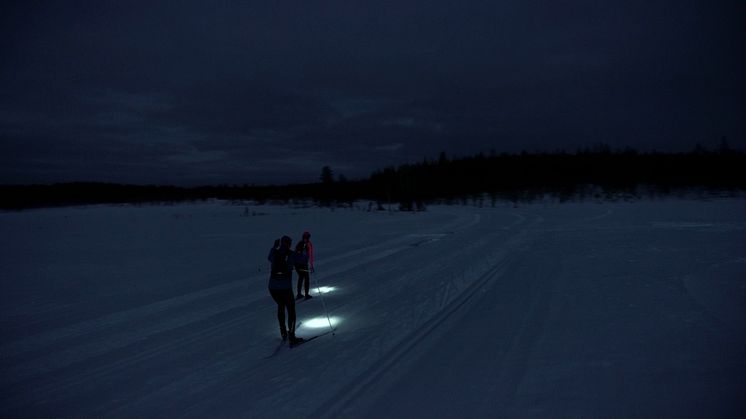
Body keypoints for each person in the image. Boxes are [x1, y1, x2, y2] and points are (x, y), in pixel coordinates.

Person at [267, 236, 303, 345]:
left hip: (272, 287)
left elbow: (269, 258)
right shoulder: (291, 254)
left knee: (281, 306)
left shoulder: (274, 252)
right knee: (291, 310)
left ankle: (283, 332)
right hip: (285, 287)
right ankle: (292, 337)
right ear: (289, 244)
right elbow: (302, 259)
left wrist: (274, 247)